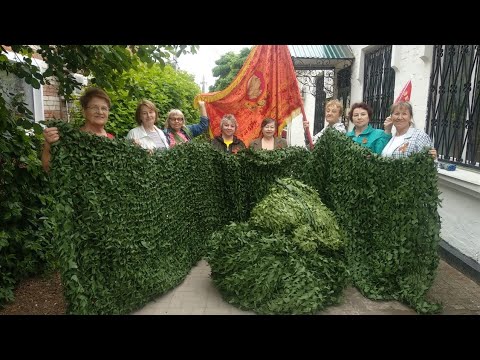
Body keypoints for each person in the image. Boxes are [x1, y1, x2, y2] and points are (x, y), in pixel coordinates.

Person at [41, 87, 114, 172]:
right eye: (94, 107)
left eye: (104, 108)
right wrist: (48, 145)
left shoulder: (112, 140)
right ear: (84, 111)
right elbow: (48, 168)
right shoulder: (70, 138)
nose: (100, 112)